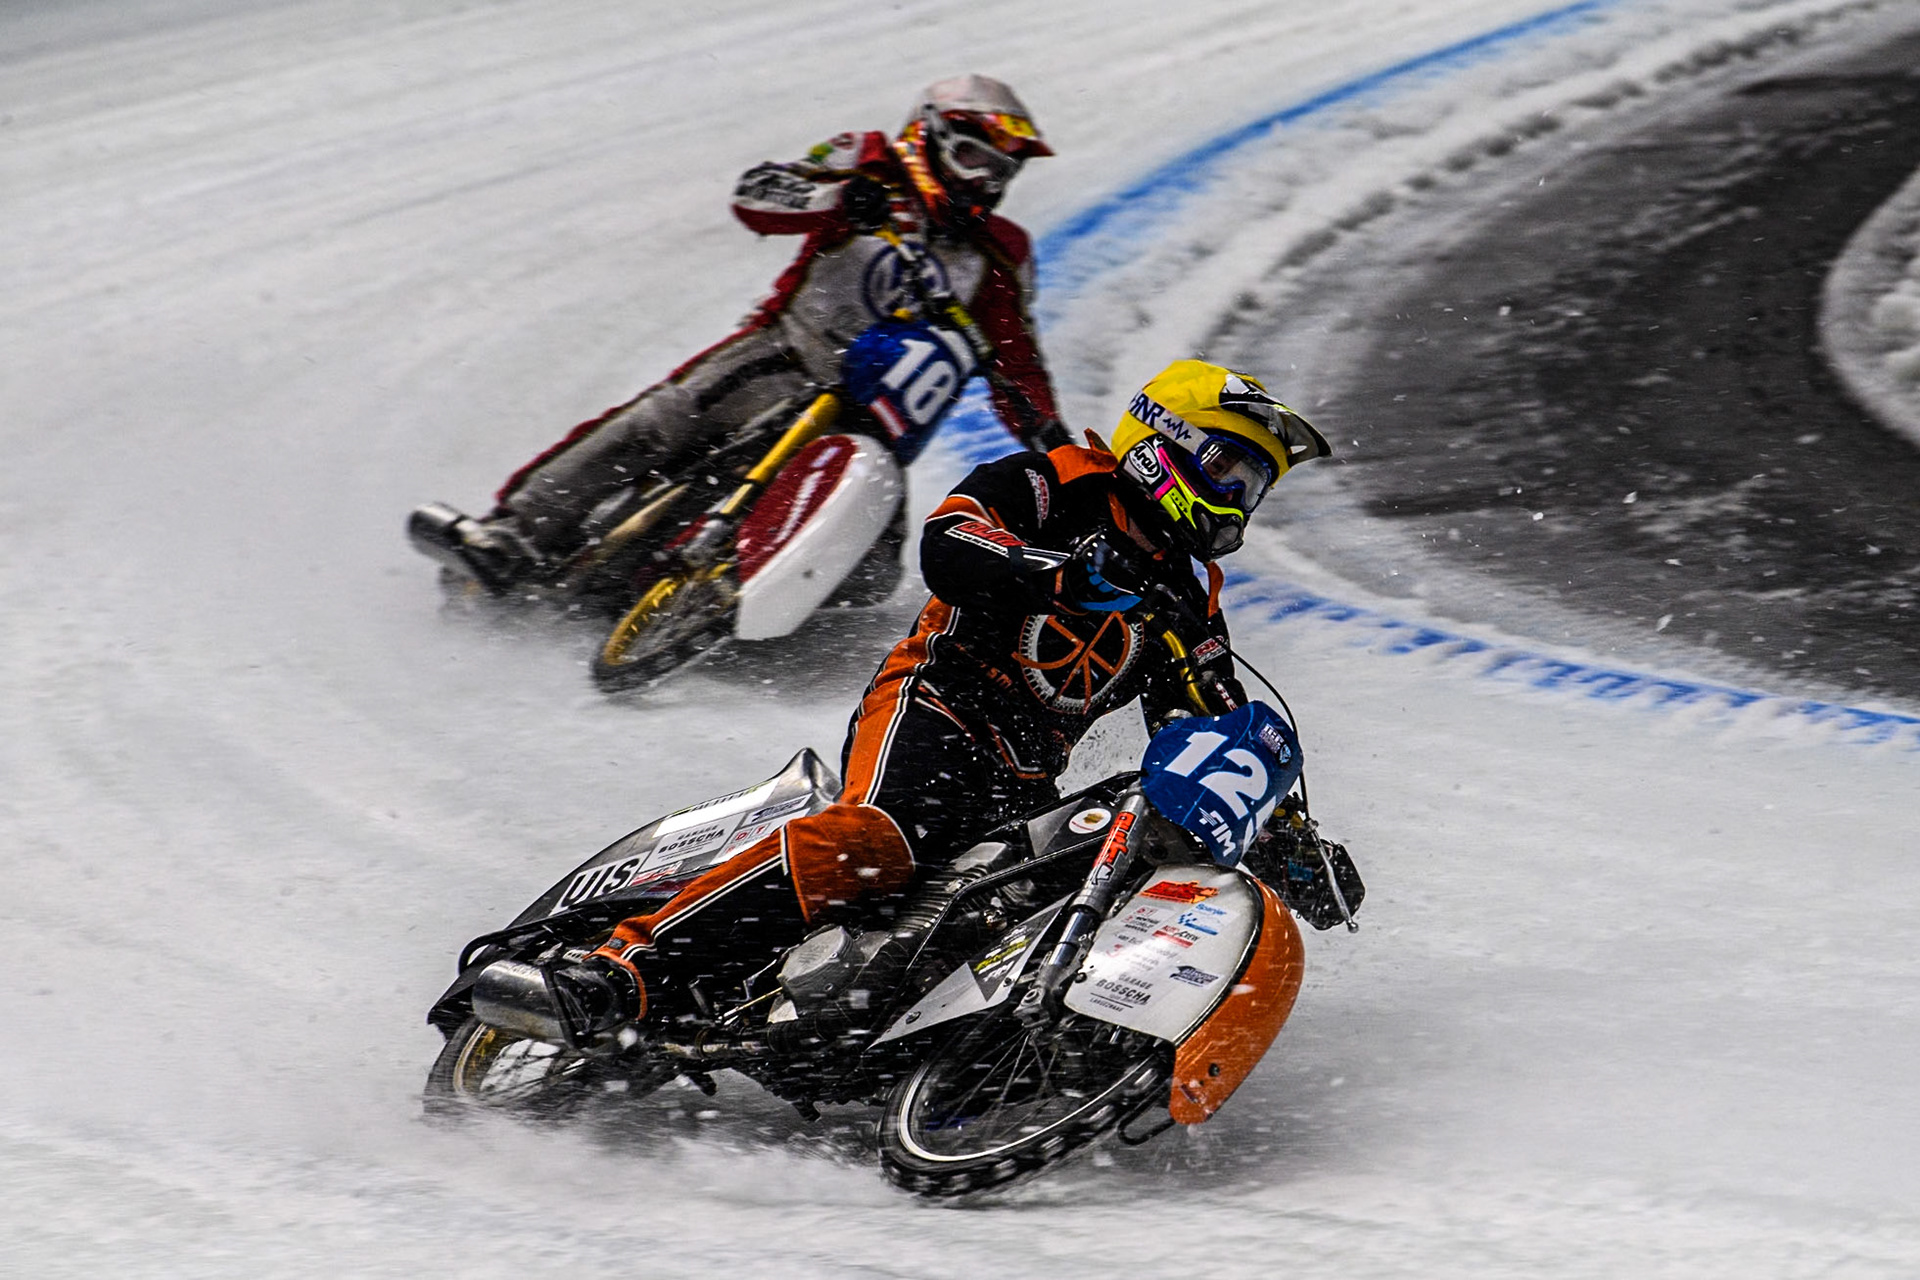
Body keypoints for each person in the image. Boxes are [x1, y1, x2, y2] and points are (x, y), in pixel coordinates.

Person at [531, 359, 1350, 1042]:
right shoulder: (1056, 481)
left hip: (1025, 773)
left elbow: (1204, 720)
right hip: (936, 706)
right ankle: (623, 968)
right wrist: (1055, 570)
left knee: (1016, 904)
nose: (1240, 498)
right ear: (1166, 446)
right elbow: (949, 544)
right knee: (878, 842)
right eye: (1231, 471)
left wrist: (1280, 831)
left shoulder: (1189, 590)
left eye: (1254, 487)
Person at [411, 74, 1068, 594]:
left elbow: (1014, 357)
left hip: (876, 424)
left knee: (871, 578)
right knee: (660, 423)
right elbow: (759, 194)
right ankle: (513, 533)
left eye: (1000, 171)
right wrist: (837, 200)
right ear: (927, 136)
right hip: (786, 355)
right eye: (972, 156)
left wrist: (1051, 440)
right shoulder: (867, 160)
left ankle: (736, 599)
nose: (983, 181)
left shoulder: (1000, 254)